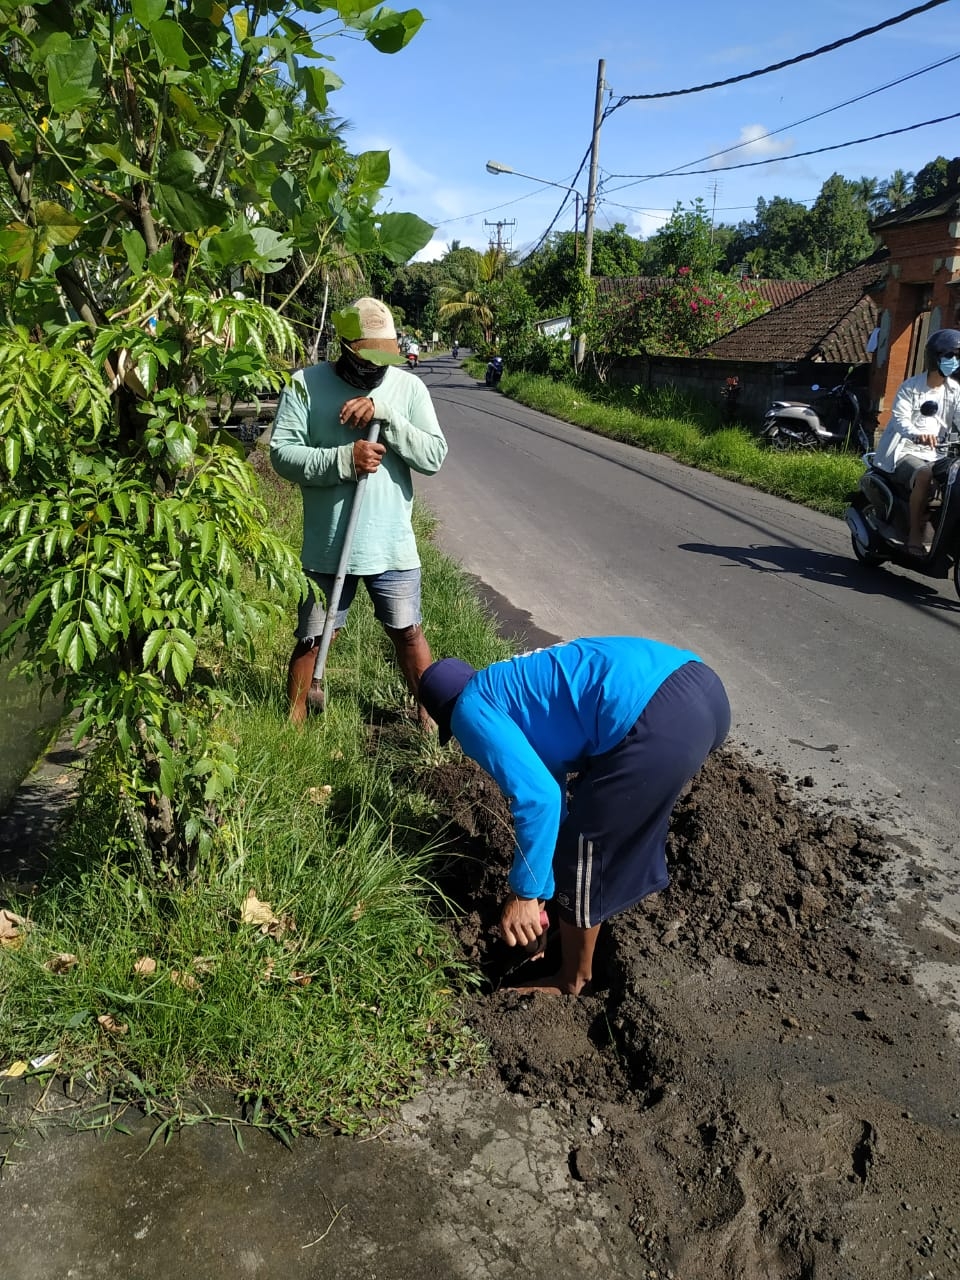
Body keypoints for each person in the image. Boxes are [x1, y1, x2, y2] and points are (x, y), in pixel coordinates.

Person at [418, 637, 730, 997]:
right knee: (590, 818)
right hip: (701, 686)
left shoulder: (469, 709)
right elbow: (554, 804)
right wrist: (543, 898)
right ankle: (577, 918)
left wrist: (523, 894)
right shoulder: (512, 687)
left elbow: (539, 800)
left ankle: (572, 979)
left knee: (584, 849)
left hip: (658, 716)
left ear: (447, 714)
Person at [270, 297, 447, 726]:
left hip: (392, 545)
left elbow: (434, 456)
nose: (376, 368)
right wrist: (343, 461)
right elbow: (281, 455)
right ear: (344, 347)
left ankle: (432, 722)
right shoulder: (305, 386)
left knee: (407, 632)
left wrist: (386, 416)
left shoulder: (407, 390)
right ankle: (290, 726)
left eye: (383, 357)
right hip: (328, 545)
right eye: (367, 357)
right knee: (314, 636)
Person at [873, 328, 960, 555]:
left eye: (958, 357)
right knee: (924, 475)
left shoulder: (955, 390)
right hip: (905, 451)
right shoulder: (910, 387)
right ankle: (914, 534)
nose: (954, 361)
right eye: (950, 356)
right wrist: (917, 434)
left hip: (939, 453)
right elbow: (900, 419)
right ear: (935, 357)